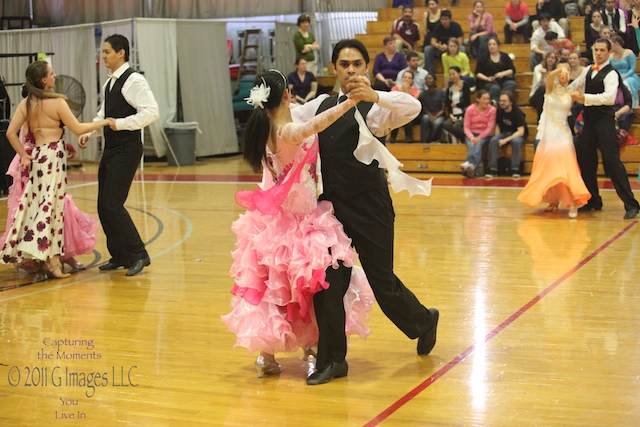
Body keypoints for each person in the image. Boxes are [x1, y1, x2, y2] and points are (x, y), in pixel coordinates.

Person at [292, 39, 439, 386]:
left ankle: (423, 321)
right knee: (329, 285)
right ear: (334, 68)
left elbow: (413, 107)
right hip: (330, 210)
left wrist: (375, 94)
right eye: (344, 64)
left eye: (358, 64)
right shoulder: (320, 106)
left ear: (367, 67)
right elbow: (288, 122)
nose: (351, 71)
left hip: (371, 206)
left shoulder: (377, 107)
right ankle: (333, 361)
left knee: (382, 282)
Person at [221, 69, 374, 378]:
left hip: (281, 219)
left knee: (281, 288)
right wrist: (348, 103)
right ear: (287, 94)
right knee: (298, 287)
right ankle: (300, 346)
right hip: (299, 220)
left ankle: (276, 352)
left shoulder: (263, 127)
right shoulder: (285, 130)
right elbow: (316, 124)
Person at [0, 61, 109, 278]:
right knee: (51, 208)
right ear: (44, 80)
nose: (54, 75)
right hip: (52, 157)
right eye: (51, 73)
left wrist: (23, 154)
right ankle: (51, 261)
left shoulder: (26, 104)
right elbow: (77, 129)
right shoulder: (57, 102)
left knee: (40, 206)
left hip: (39, 156)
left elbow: (10, 133)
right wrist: (103, 122)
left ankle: (43, 258)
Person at [78, 34, 159, 276]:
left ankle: (139, 254)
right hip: (112, 149)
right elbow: (103, 114)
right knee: (104, 205)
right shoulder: (109, 83)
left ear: (121, 52)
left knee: (113, 204)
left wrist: (121, 123)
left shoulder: (134, 80)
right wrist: (89, 133)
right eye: (102, 52)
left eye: (106, 52)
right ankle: (119, 255)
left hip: (127, 149)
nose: (102, 56)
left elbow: (151, 112)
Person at [569, 38, 640, 219]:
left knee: (611, 160)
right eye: (596, 49)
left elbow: (609, 98)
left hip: (605, 121)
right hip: (589, 121)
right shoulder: (588, 70)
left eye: (602, 50)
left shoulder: (612, 73)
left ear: (609, 52)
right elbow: (573, 86)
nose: (598, 53)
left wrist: (584, 98)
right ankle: (593, 200)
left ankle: (631, 204)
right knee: (586, 159)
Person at [518, 61, 591, 218]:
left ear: (570, 74)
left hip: (563, 135)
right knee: (548, 168)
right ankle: (553, 199)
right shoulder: (550, 88)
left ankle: (573, 203)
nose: (563, 75)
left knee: (567, 168)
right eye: (561, 72)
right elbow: (550, 76)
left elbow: (583, 100)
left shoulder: (571, 93)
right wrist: (559, 70)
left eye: (567, 72)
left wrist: (581, 97)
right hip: (548, 136)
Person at [485, 91, 528, 178]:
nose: (501, 103)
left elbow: (521, 131)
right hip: (504, 133)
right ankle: (493, 169)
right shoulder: (499, 111)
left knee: (516, 142)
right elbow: (497, 125)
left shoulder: (517, 112)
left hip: (516, 134)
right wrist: (497, 137)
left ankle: (515, 169)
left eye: (504, 101)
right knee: (493, 140)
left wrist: (505, 140)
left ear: (510, 102)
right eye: (500, 100)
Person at [459, 89, 496, 178]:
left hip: (484, 135)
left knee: (478, 144)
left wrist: (479, 137)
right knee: (472, 144)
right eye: (484, 99)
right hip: (471, 133)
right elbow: (466, 126)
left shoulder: (492, 110)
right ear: (478, 99)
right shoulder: (470, 109)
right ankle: (469, 164)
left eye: (488, 99)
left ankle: (471, 165)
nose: (487, 101)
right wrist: (472, 137)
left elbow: (490, 127)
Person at [423, 9, 466, 76]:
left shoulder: (456, 26)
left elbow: (460, 41)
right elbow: (432, 41)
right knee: (427, 49)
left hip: (453, 50)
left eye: (446, 19)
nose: (444, 21)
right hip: (440, 50)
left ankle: (461, 71)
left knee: (462, 48)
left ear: (450, 19)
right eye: (442, 19)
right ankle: (430, 73)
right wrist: (438, 46)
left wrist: (449, 46)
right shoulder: (437, 27)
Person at [475, 37, 517, 103]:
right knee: (495, 88)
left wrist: (502, 74)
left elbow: (512, 70)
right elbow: (478, 73)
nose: (492, 46)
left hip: (503, 79)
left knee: (511, 84)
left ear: (498, 45)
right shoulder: (483, 57)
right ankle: (497, 103)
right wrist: (487, 78)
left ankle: (501, 101)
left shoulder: (505, 56)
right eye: (490, 44)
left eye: (494, 44)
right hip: (488, 81)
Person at [442, 66, 472, 143]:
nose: (452, 76)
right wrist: (451, 115)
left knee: (456, 127)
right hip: (453, 114)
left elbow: (467, 102)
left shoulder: (465, 85)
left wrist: (457, 105)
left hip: (463, 113)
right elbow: (448, 104)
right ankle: (456, 141)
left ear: (459, 74)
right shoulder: (450, 88)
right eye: (450, 75)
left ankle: (466, 140)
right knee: (446, 125)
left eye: (453, 74)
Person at [608, 34, 640, 107]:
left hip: (629, 76)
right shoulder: (610, 56)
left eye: (611, 44)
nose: (609, 47)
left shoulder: (629, 53)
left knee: (626, 83)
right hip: (616, 76)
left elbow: (633, 69)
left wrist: (624, 76)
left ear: (616, 43)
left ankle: (631, 104)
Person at [390, 70, 421, 142]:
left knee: (407, 119)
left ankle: (409, 138)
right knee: (395, 116)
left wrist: (406, 91)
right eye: (405, 77)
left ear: (412, 80)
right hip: (397, 112)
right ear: (402, 79)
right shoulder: (395, 89)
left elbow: (411, 104)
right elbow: (394, 102)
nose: (407, 79)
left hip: (410, 113)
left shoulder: (416, 91)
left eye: (409, 78)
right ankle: (392, 139)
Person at [529, 50, 559, 118]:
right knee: (543, 89)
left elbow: (556, 85)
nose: (550, 59)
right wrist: (543, 76)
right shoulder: (538, 68)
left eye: (552, 58)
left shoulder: (556, 71)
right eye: (548, 57)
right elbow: (540, 85)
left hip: (551, 96)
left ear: (555, 60)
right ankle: (540, 120)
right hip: (536, 96)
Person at [419, 73, 447, 142]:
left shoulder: (441, 93)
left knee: (436, 123)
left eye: (430, 78)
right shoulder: (423, 94)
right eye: (426, 79)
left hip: (440, 115)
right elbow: (425, 108)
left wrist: (434, 117)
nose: (428, 80)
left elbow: (443, 109)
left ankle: (429, 141)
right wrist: (430, 116)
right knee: (425, 118)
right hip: (428, 114)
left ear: (434, 81)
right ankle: (423, 141)